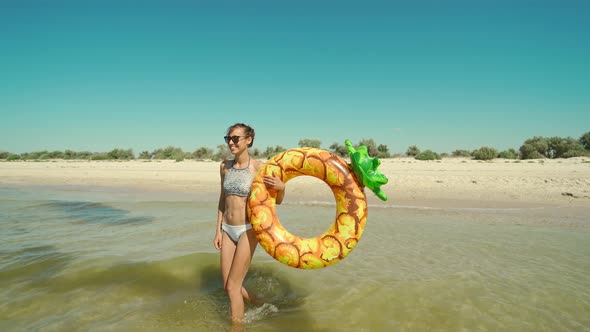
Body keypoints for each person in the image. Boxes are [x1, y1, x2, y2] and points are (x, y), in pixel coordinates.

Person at [213, 123, 285, 324]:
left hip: (248, 230)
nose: (231, 142)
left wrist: (282, 187)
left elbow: (277, 200)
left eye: (235, 138)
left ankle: (238, 327)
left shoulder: (259, 168)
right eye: (228, 138)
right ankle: (263, 303)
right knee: (229, 284)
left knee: (232, 287)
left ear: (248, 140)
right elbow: (222, 199)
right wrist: (218, 230)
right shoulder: (224, 167)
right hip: (227, 230)